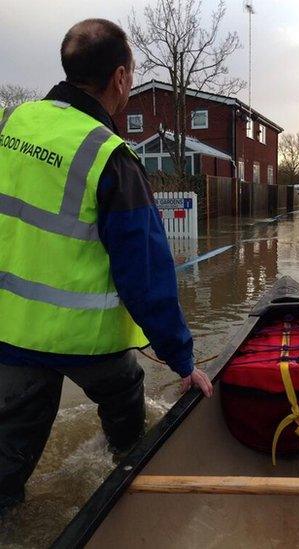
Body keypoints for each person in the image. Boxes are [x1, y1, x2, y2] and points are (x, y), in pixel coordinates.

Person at [0, 18, 212, 515]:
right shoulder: (110, 157)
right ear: (119, 77)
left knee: (7, 463)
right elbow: (147, 276)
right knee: (126, 418)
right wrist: (183, 361)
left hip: (10, 334)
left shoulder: (12, 124)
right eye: (132, 74)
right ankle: (125, 490)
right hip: (86, 341)